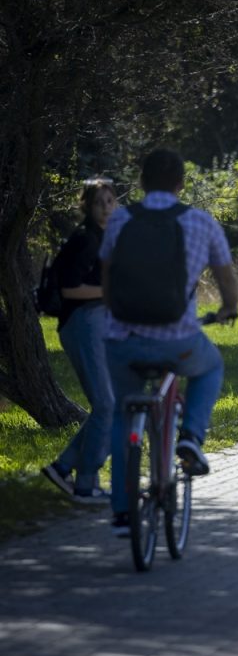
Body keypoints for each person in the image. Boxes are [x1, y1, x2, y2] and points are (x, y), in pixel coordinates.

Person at [101, 149, 238, 537]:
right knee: (210, 366)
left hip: (122, 341)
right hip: (177, 340)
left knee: (121, 414)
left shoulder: (120, 219)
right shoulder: (200, 222)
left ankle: (122, 512)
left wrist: (117, 317)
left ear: (142, 181)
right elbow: (228, 280)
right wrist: (229, 309)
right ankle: (191, 438)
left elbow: (107, 278)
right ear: (181, 184)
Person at [40, 178, 118, 504]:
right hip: (81, 323)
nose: (105, 207)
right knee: (106, 405)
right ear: (86, 205)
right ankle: (85, 485)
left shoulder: (102, 237)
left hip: (95, 323)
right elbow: (70, 289)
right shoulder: (85, 239)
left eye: (110, 201)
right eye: (98, 202)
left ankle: (64, 467)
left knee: (108, 406)